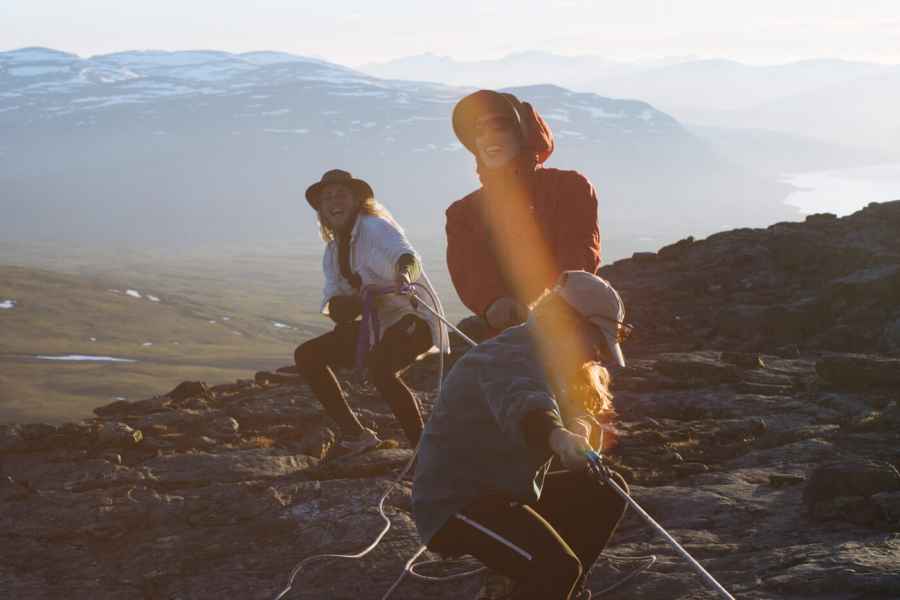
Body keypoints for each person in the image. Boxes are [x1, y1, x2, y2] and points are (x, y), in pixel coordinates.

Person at [412, 270, 631, 600]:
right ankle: (548, 585)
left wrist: (578, 431)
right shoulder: (509, 355)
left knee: (607, 491)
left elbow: (575, 412)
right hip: (457, 504)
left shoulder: (552, 359)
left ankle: (550, 591)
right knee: (556, 568)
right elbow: (525, 406)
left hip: (506, 491)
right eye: (596, 342)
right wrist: (557, 437)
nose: (596, 354)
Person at [294, 169, 447, 452]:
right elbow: (338, 310)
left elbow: (407, 257)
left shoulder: (374, 226)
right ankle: (356, 434)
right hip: (376, 326)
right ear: (322, 212)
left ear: (356, 201)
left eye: (341, 194)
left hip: (414, 318)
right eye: (327, 198)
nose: (333, 201)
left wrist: (403, 277)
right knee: (307, 355)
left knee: (381, 370)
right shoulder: (332, 253)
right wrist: (358, 301)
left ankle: (424, 450)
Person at [447, 90, 602, 339]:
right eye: (479, 131)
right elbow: (469, 269)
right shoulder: (462, 213)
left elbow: (579, 252)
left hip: (570, 322)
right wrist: (493, 302)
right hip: (504, 331)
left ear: (523, 133)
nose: (488, 137)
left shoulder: (570, 187)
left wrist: (549, 302)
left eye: (499, 126)